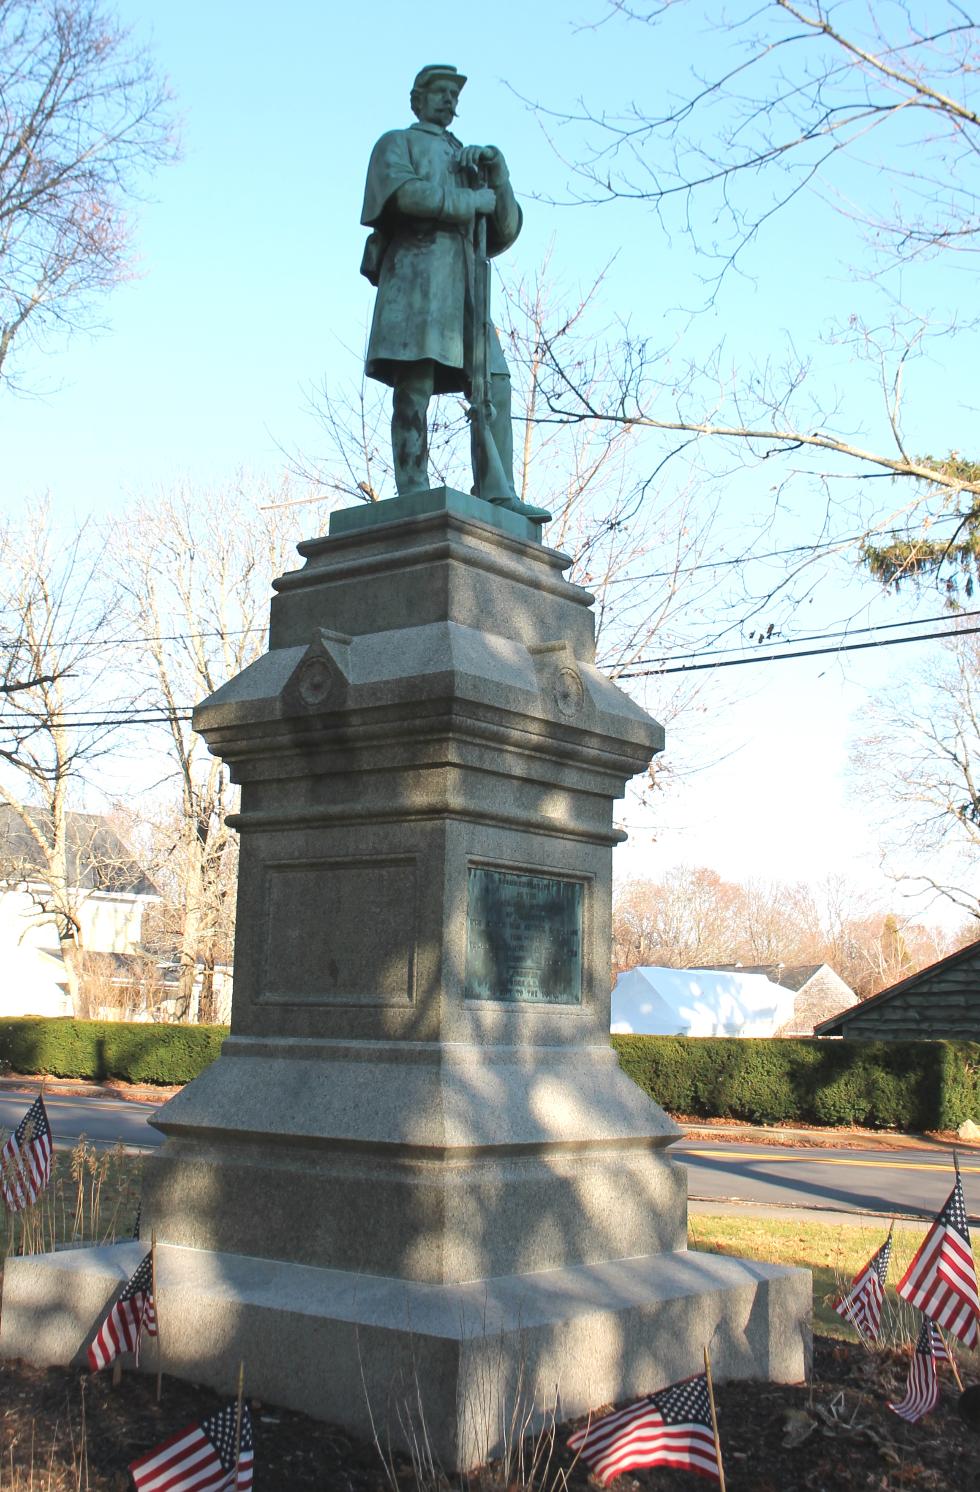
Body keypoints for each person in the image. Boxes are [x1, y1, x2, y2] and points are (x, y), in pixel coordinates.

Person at [360, 64, 549, 522]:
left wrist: (497, 178)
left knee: (494, 381)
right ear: (418, 99)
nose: (449, 101)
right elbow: (405, 196)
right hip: (417, 278)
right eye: (441, 92)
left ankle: (496, 491)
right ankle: (413, 490)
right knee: (416, 383)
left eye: (454, 95)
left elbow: (502, 231)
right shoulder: (396, 143)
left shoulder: (467, 157)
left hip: (465, 284)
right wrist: (469, 202)